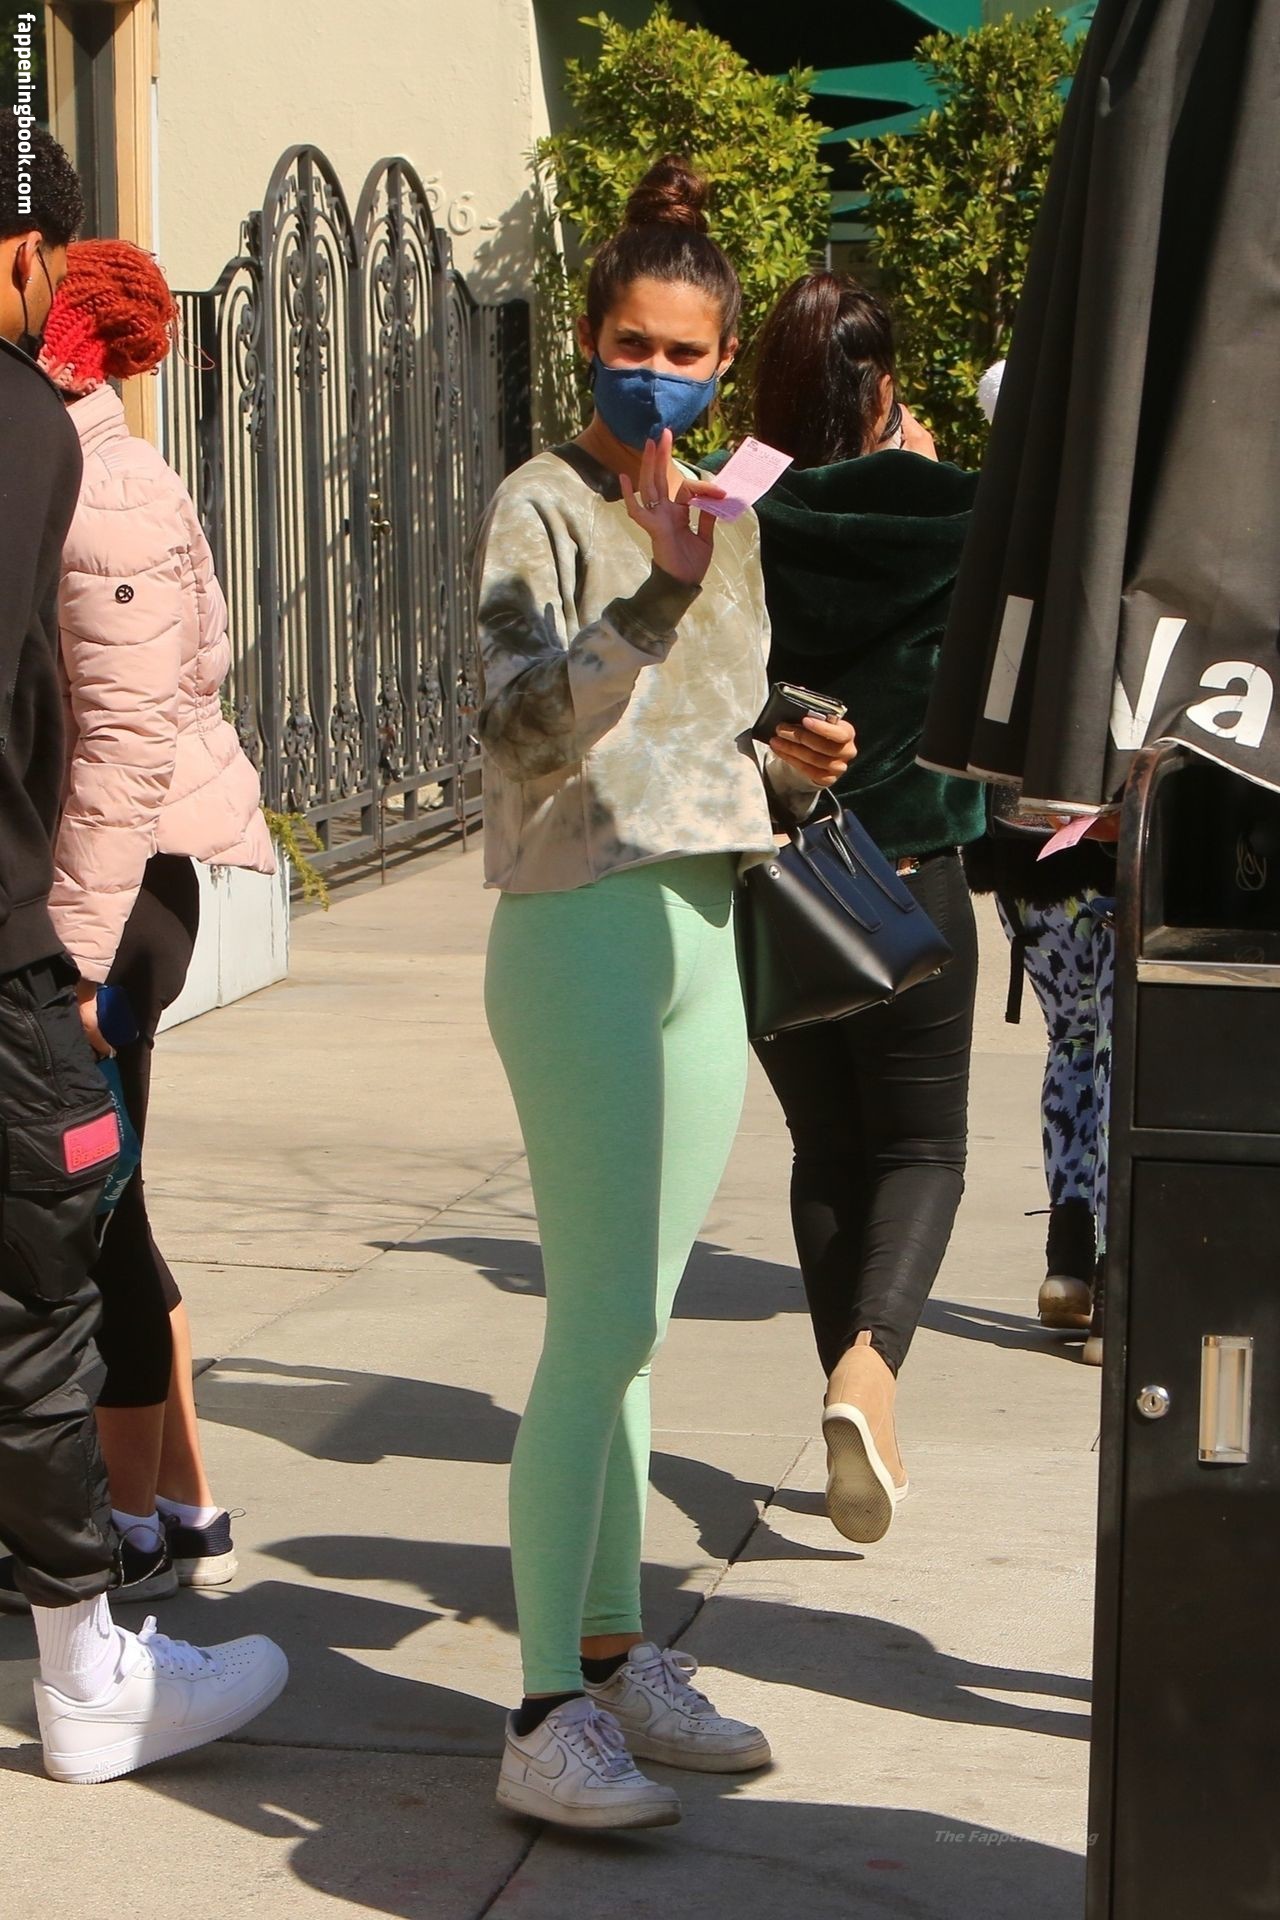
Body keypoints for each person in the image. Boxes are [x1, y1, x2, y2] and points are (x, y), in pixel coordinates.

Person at [473, 156, 856, 1831]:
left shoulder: (736, 516)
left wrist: (792, 756)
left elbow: (712, 735)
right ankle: (542, 1706)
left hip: (707, 923)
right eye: (632, 344)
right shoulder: (542, 507)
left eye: (687, 354)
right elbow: (518, 728)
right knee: (595, 1325)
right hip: (581, 926)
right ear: (589, 338)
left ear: (721, 365)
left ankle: (618, 1654)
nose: (659, 375)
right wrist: (655, 595)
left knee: (638, 1330)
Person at [0, 123, 286, 1783]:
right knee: (102, 1215)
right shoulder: (90, 464)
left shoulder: (95, 477)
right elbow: (211, 654)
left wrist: (73, 969)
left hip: (103, 907)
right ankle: (172, 1501)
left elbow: (119, 753)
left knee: (82, 1224)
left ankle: (122, 1532)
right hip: (87, 902)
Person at [739, 271, 983, 1544]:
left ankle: (854, 1402)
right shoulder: (958, 510)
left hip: (772, 877)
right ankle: (867, 1377)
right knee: (922, 1150)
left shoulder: (734, 505)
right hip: (910, 873)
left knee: (824, 1151)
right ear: (883, 381)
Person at [962, 359, 1116, 1365]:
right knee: (1123, 1051)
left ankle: (1073, 1253)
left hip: (1028, 853)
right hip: (1113, 839)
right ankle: (1108, 1266)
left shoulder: (996, 537)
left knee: (1076, 1045)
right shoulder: (1124, 532)